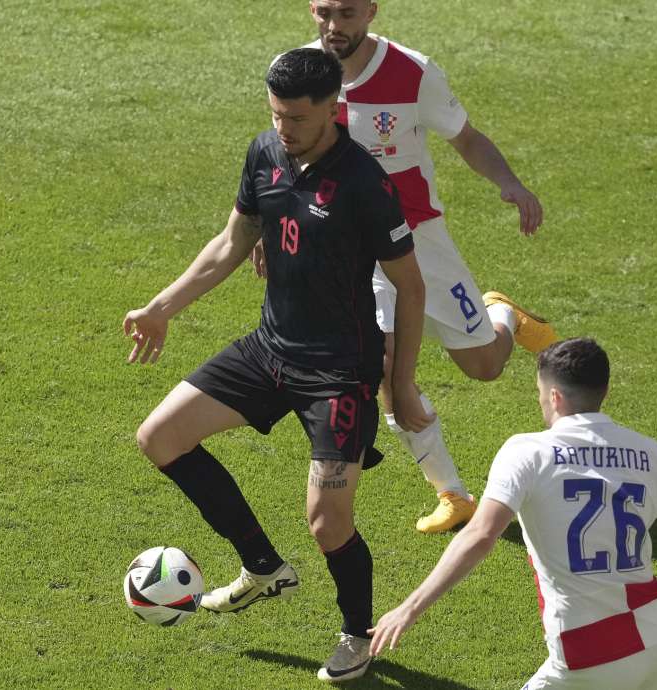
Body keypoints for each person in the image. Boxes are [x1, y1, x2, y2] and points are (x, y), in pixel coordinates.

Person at [126, 48, 428, 684]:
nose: (283, 128)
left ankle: (357, 636)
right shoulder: (265, 152)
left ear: (332, 108)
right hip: (269, 350)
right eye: (275, 114)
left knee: (327, 521)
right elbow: (232, 243)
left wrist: (399, 385)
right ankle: (263, 568)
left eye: (296, 118)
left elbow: (410, 285)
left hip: (339, 373)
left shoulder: (365, 184)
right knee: (160, 437)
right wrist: (161, 307)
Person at [269, 0, 560, 534]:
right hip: (347, 247)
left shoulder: (412, 72)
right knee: (382, 367)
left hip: (417, 239)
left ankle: (503, 315)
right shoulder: (299, 72)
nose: (335, 26)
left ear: (371, 12)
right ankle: (452, 493)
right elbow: (286, 152)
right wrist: (271, 224)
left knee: (484, 367)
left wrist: (510, 184)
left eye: (348, 13)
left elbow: (466, 137)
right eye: (325, 12)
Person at [369, 338, 657, 689]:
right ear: (605, 391)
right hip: (655, 640)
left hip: (589, 652)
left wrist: (408, 608)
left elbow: (480, 535)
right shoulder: (651, 454)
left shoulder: (528, 453)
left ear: (554, 397)